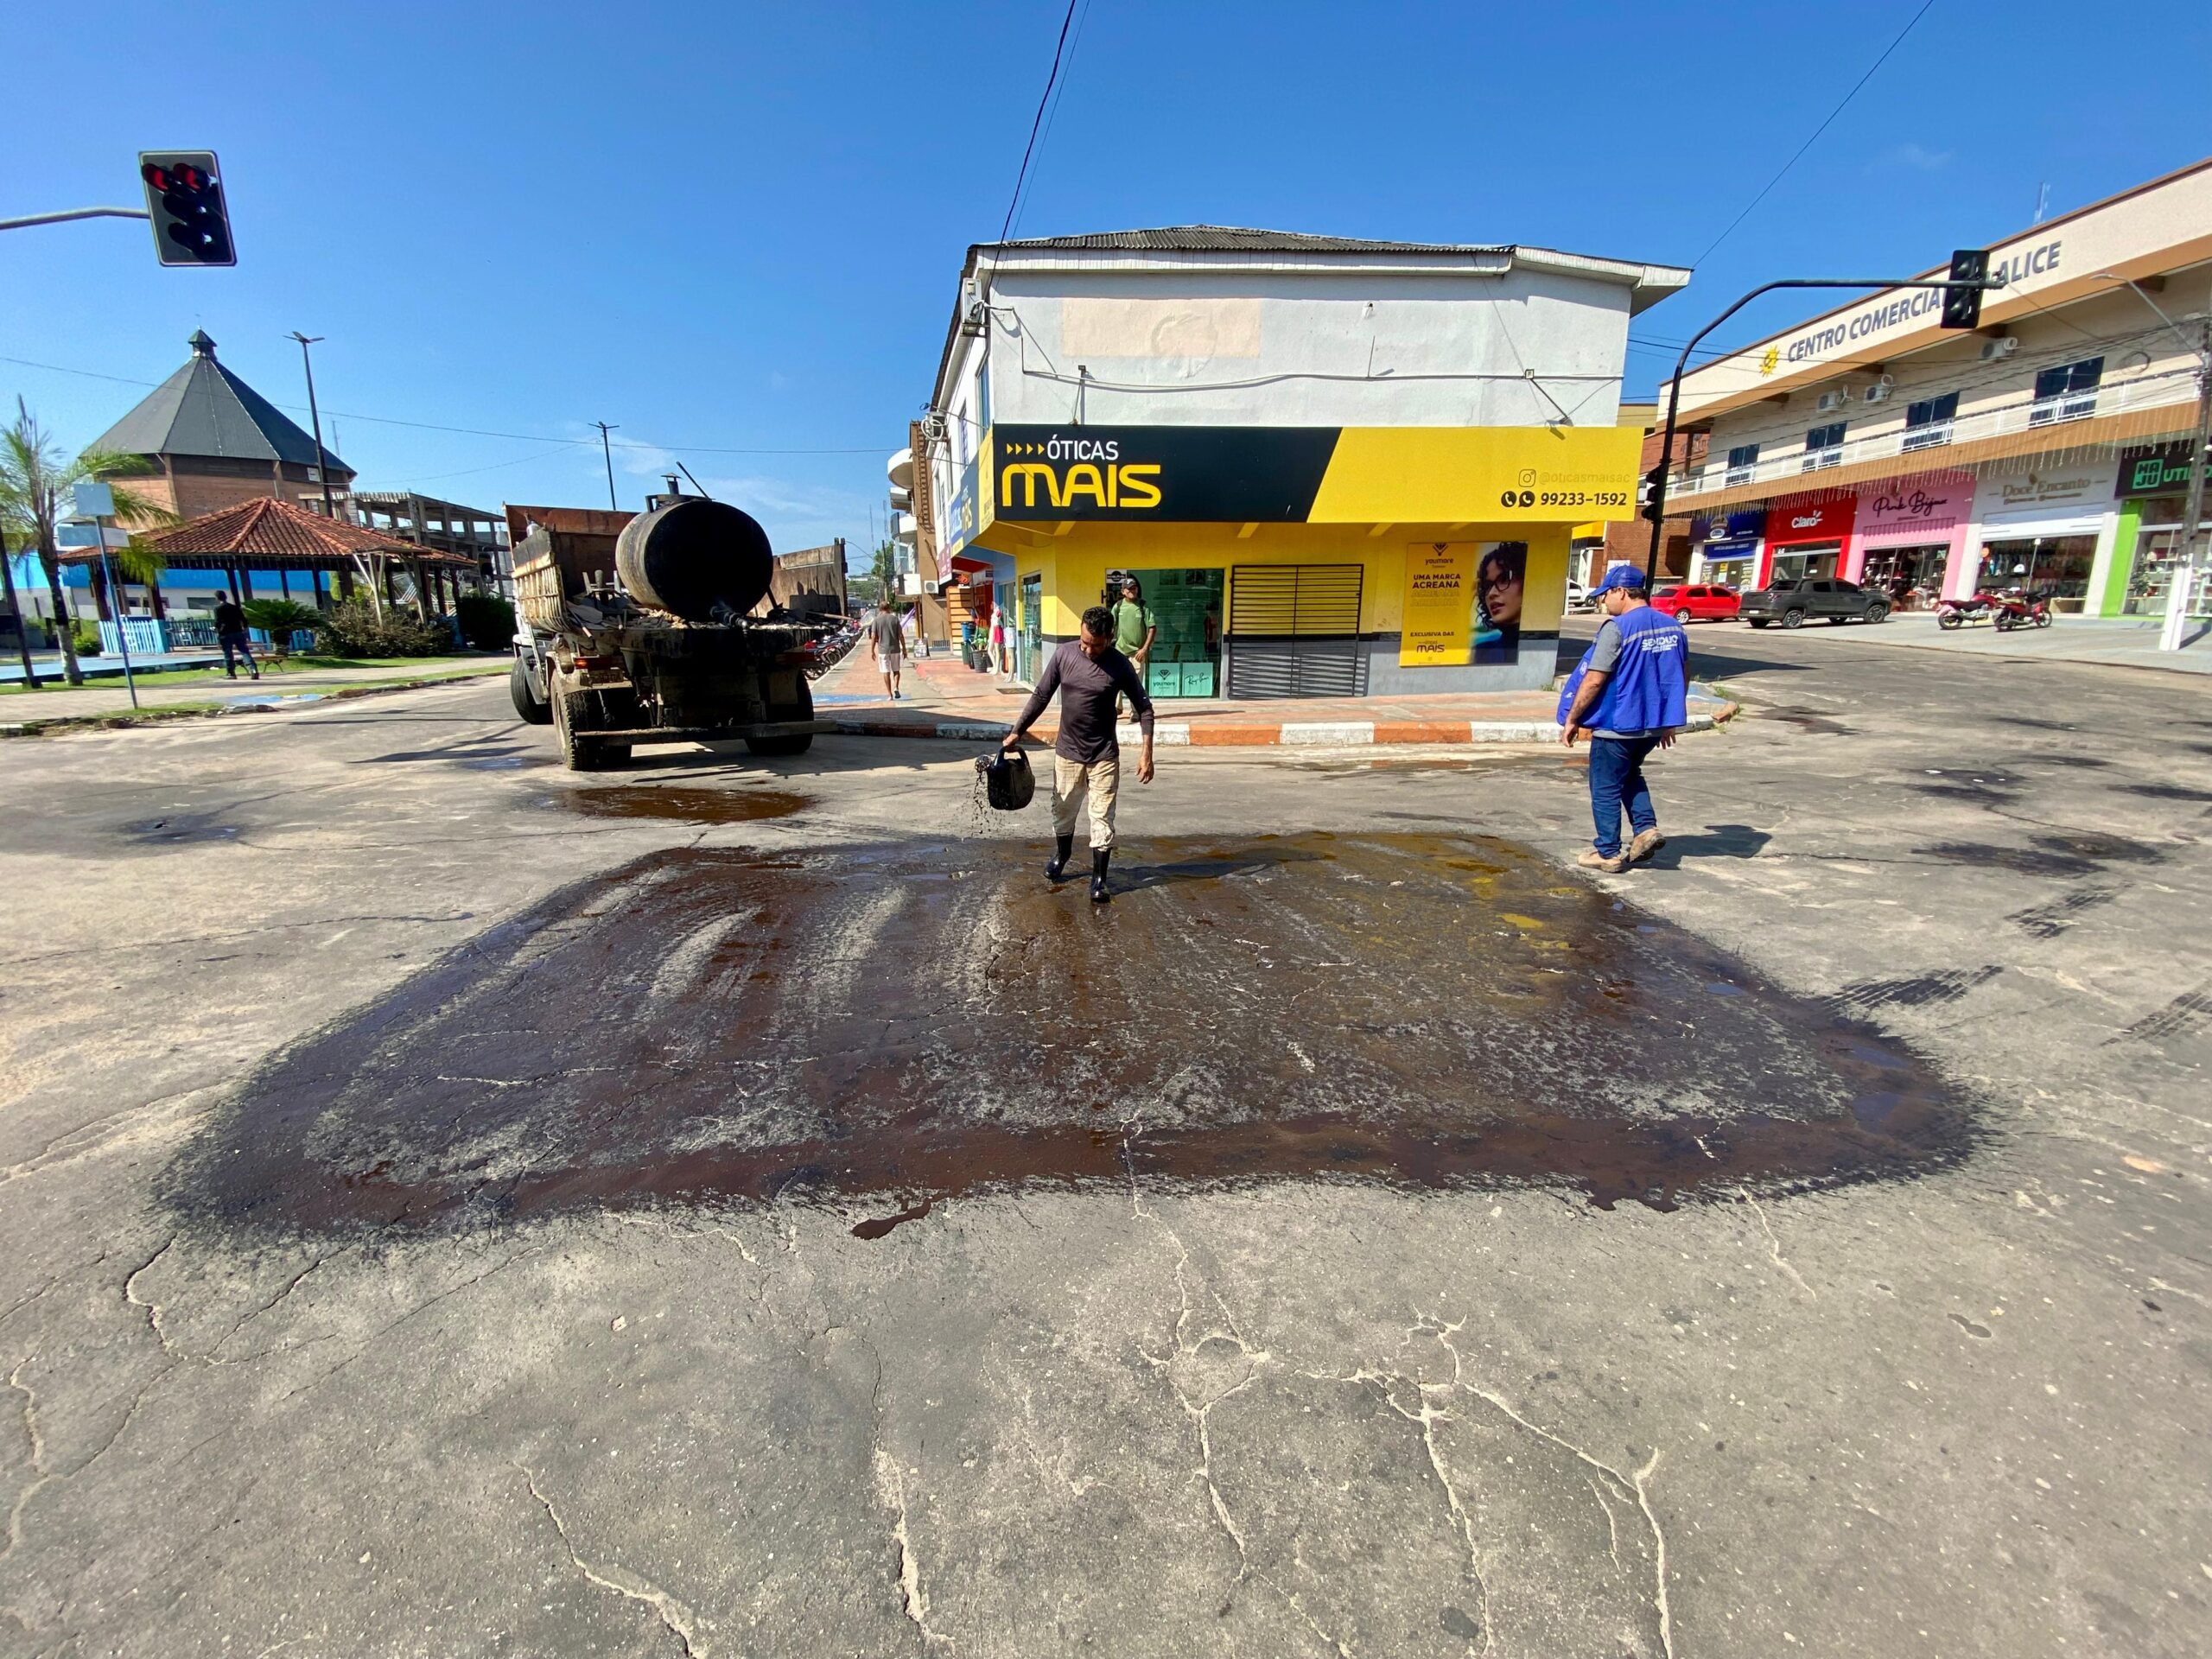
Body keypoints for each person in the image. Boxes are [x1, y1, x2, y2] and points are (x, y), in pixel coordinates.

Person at [1001, 604, 1156, 903]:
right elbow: (1041, 695)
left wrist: (1146, 754)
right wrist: (1018, 731)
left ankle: (1099, 879)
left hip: (1104, 755)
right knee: (1062, 811)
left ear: (1109, 638)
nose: (1087, 649)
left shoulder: (1120, 665)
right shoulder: (1064, 654)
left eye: (1095, 645)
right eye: (1084, 641)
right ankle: (1063, 855)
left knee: (1102, 818)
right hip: (1068, 753)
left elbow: (1145, 709)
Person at [1557, 565, 1688, 874]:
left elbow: (1594, 680)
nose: (1604, 601)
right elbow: (1682, 674)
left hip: (1618, 723)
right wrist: (1669, 719)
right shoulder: (1674, 627)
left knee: (1605, 786)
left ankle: (1608, 852)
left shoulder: (1617, 628)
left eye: (1606, 594)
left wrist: (1572, 718)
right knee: (1630, 773)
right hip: (1654, 726)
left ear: (1622, 591)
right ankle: (1645, 829)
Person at [212, 590, 259, 682]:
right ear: (226, 597)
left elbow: (217, 622)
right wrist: (244, 629)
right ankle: (253, 669)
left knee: (228, 653)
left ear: (217, 598)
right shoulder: (235, 608)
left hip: (225, 633)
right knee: (244, 651)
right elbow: (244, 619)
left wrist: (216, 630)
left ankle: (231, 673)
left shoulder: (218, 609)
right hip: (238, 631)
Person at [868, 601, 905, 700]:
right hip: (895, 649)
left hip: (883, 650)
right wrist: (904, 649)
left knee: (886, 671)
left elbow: (873, 636)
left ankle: (890, 695)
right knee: (896, 670)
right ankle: (896, 687)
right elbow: (900, 635)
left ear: (880, 609)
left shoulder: (876, 620)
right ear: (889, 608)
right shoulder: (895, 619)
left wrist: (872, 650)